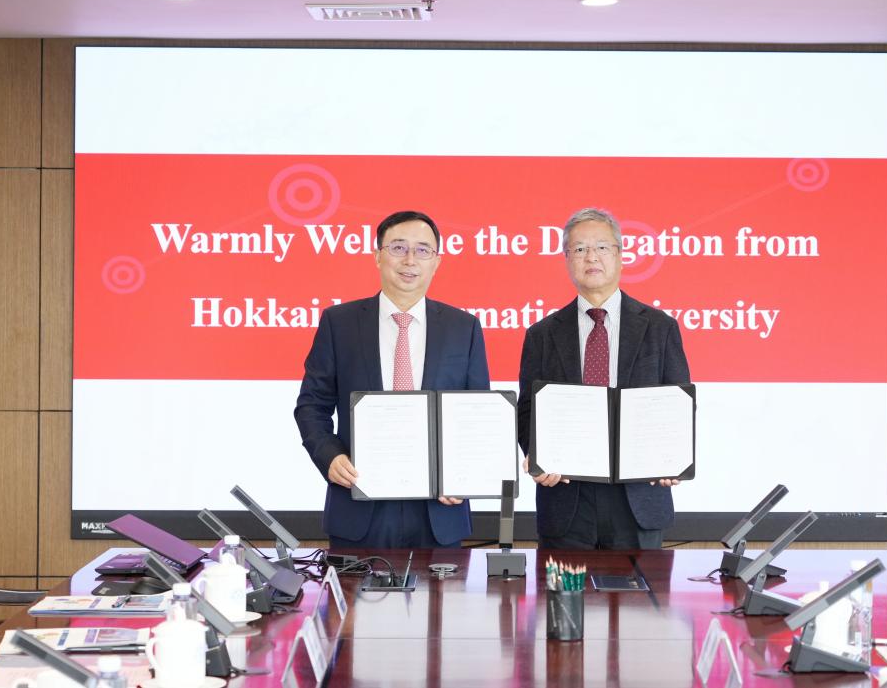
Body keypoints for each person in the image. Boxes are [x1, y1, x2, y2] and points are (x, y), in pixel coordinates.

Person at [295, 209, 490, 548]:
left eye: (422, 250)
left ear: (437, 262)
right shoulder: (339, 323)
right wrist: (330, 456)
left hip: (439, 509)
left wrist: (464, 475)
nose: (410, 260)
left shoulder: (464, 328)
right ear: (378, 256)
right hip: (358, 502)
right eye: (398, 248)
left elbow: (477, 415)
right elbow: (312, 405)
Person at [517, 207, 691, 549]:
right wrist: (538, 456)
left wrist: (672, 456)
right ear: (567, 259)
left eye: (601, 247)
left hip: (639, 497)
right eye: (580, 249)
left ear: (620, 256)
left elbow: (678, 404)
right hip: (566, 499)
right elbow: (527, 411)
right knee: (563, 587)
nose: (591, 257)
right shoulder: (542, 334)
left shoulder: (660, 328)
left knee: (640, 588)